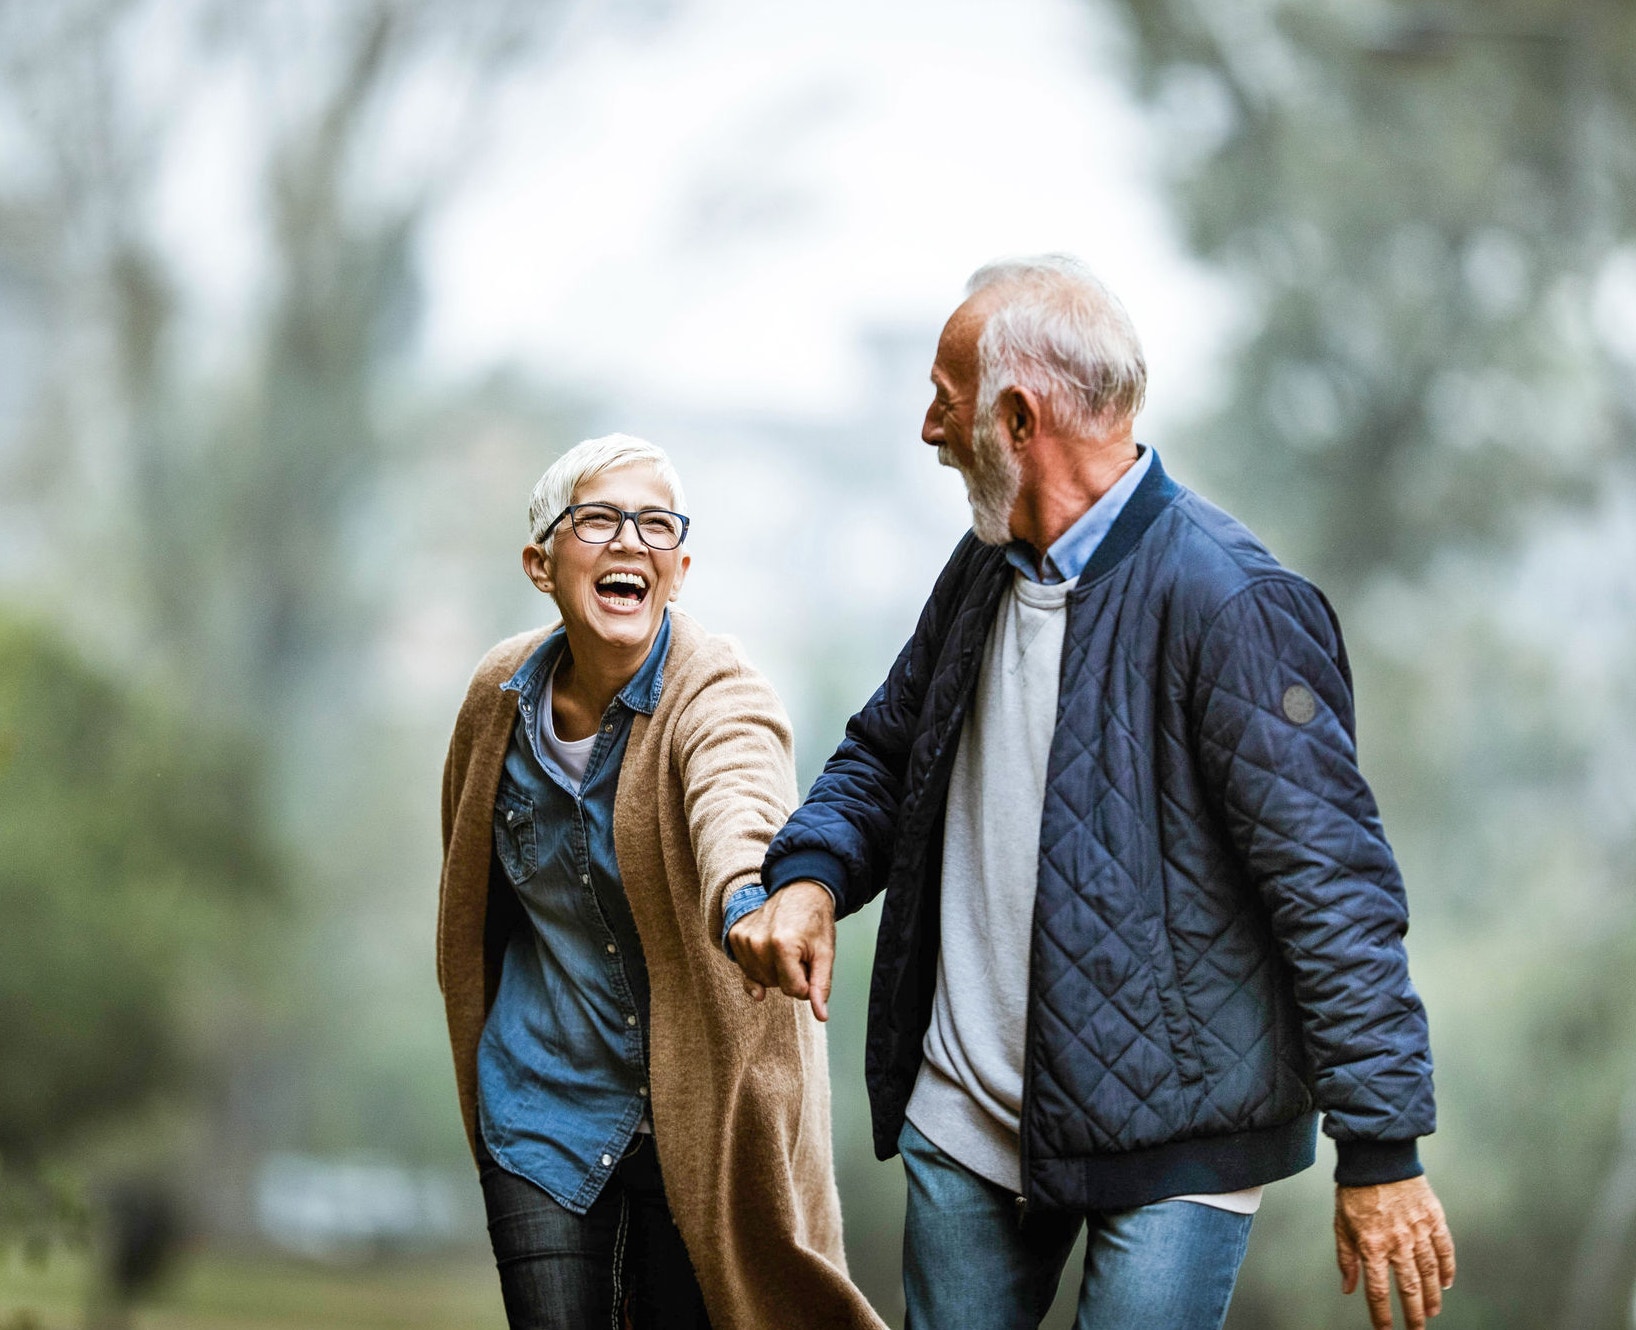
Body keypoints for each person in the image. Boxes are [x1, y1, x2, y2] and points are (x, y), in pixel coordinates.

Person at [727, 257, 1457, 1330]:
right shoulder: (981, 568)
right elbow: (886, 753)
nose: (928, 430)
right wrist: (808, 875)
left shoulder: (1233, 602)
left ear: (1016, 417)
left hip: (1176, 1140)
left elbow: (1331, 889)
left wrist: (1381, 1150)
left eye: (944, 397)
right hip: (965, 1121)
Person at [437, 434, 884, 1330]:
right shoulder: (497, 700)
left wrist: (751, 905)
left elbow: (739, 802)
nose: (629, 542)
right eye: (597, 519)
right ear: (541, 562)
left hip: (700, 1118)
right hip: (541, 1101)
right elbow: (468, 887)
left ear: (679, 569)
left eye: (654, 525)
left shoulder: (717, 690)